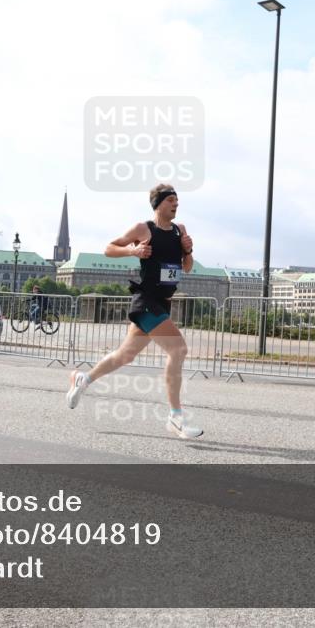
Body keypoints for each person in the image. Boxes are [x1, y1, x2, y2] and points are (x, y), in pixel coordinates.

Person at [65, 184, 202, 439]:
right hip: (146, 299)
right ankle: (176, 417)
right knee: (178, 349)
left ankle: (84, 378)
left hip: (162, 302)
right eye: (171, 200)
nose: (176, 204)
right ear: (158, 203)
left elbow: (188, 267)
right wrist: (133, 250)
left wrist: (188, 249)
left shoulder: (179, 230)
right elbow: (109, 248)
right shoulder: (143, 229)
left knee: (124, 356)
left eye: (178, 200)